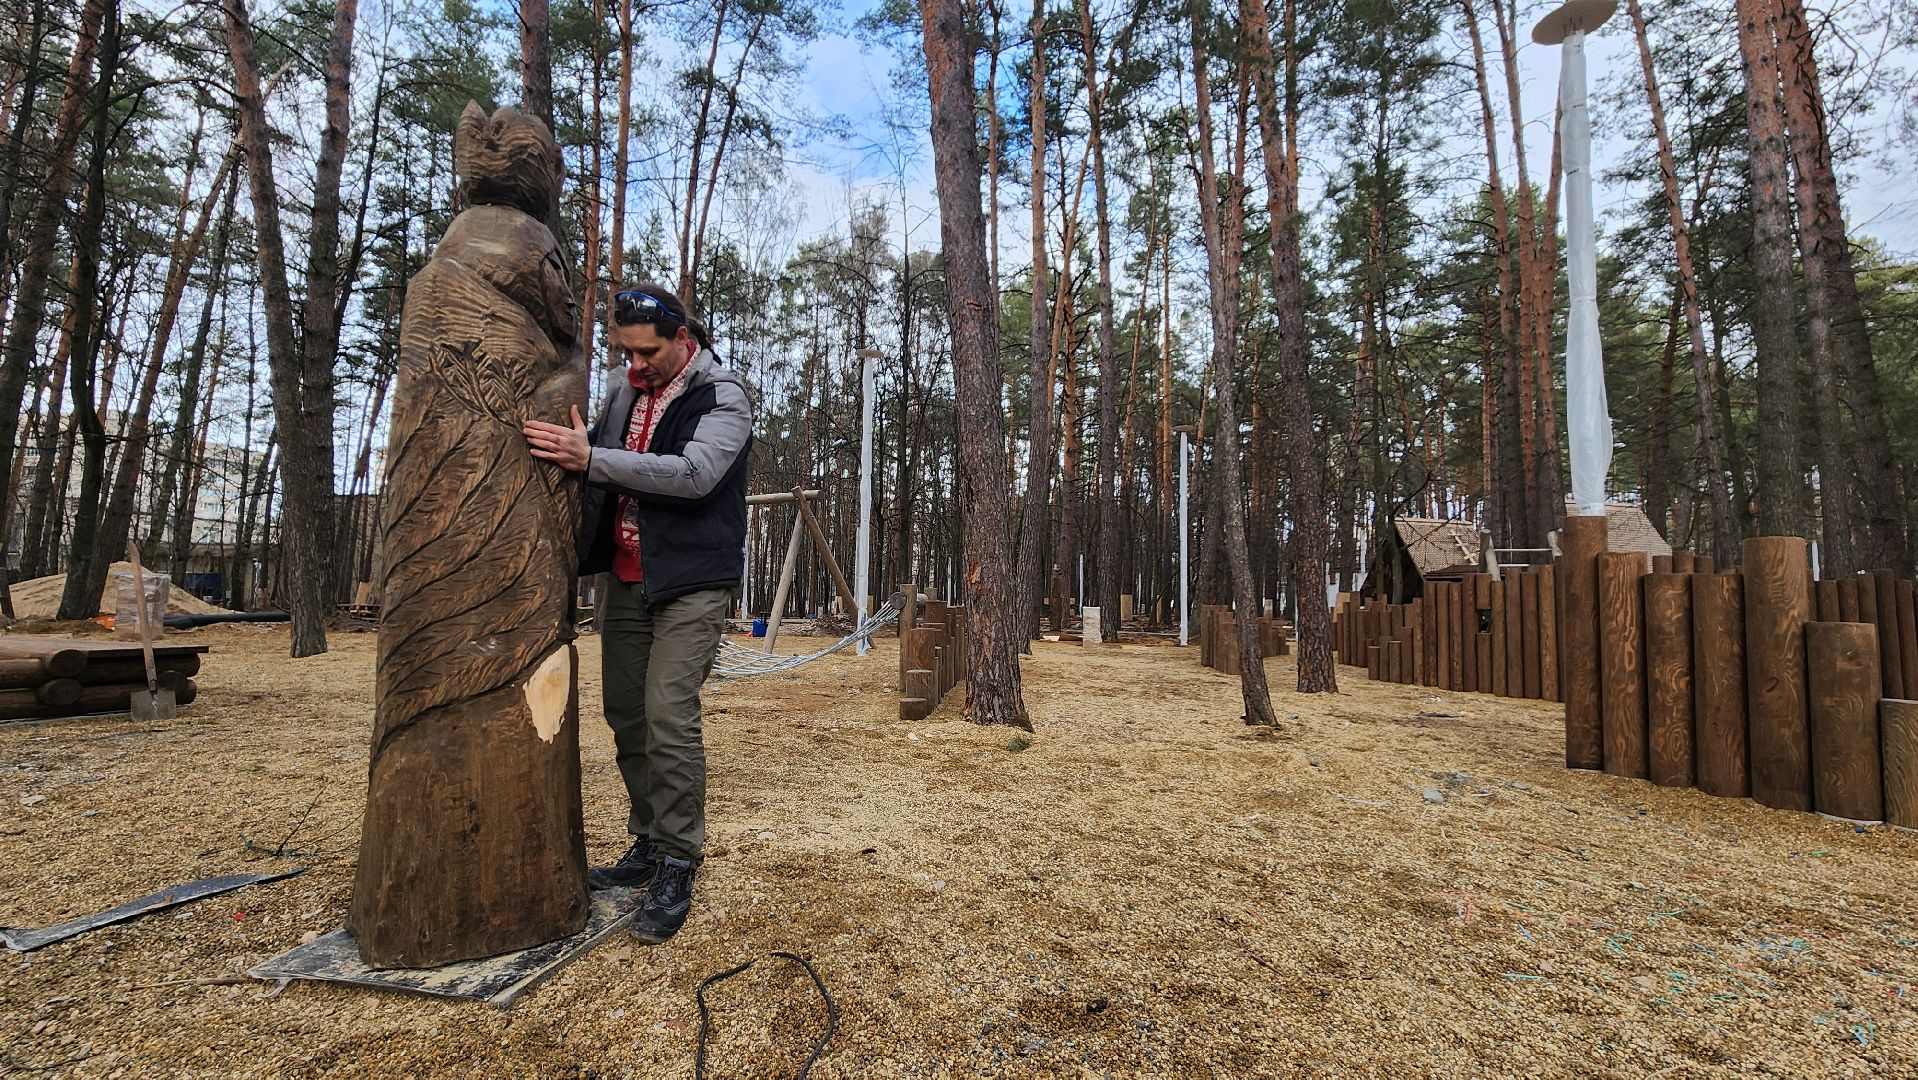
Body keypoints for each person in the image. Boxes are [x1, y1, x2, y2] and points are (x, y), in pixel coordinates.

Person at [522, 284, 752, 943]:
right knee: (625, 712)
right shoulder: (624, 392)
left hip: (691, 581)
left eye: (647, 352)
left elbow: (693, 474)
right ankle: (650, 840)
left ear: (684, 338)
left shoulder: (722, 395)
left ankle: (679, 857)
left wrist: (592, 459)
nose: (635, 365)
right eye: (624, 352)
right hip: (625, 581)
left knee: (667, 714)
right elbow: (594, 448)